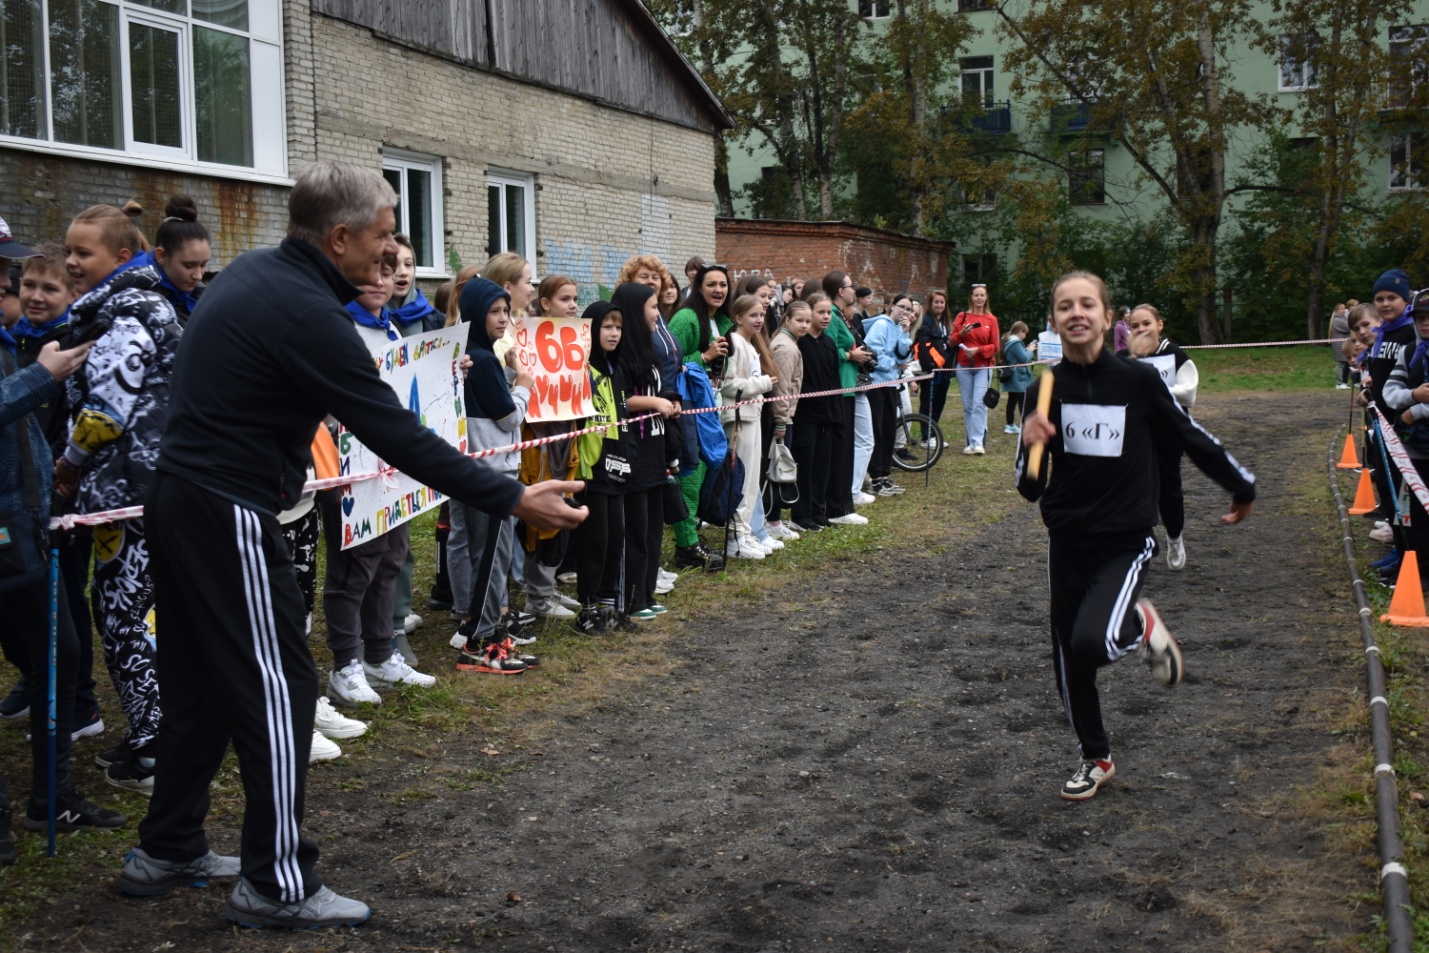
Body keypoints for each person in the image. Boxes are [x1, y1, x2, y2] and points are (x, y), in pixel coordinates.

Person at [122, 162, 584, 927]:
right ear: (338, 237)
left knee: (200, 682)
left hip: (187, 499)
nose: (394, 246)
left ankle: (167, 845)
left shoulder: (260, 276)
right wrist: (507, 492)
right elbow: (391, 427)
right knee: (280, 686)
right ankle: (276, 881)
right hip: (222, 506)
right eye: (384, 231)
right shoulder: (304, 310)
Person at [1016, 271, 1255, 802]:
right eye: (1064, 307)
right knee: (1069, 659)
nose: (1076, 314)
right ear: (1055, 320)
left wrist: (1240, 484)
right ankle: (1095, 757)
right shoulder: (1045, 387)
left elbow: (1190, 436)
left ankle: (1140, 621)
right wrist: (1032, 445)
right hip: (1067, 541)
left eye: (1087, 305)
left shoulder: (1139, 381)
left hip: (1125, 538)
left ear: (1107, 317)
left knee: (1092, 640)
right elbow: (1030, 488)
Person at [0, 225, 122, 858]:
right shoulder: (28, 357)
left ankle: (54, 797)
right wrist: (40, 378)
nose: (11, 288)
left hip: (22, 530)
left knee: (61, 655)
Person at [56, 201, 182, 797]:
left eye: (84, 252)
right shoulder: (143, 307)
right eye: (69, 251)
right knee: (147, 613)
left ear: (122, 258)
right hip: (151, 488)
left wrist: (68, 465)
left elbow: (105, 412)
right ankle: (158, 730)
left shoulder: (124, 317)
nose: (72, 262)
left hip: (129, 493)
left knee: (125, 616)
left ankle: (154, 745)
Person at [322, 256, 437, 701]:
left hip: (390, 468)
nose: (381, 281)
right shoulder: (338, 328)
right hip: (350, 468)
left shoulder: (390, 328)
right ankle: (345, 664)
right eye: (370, 272)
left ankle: (379, 652)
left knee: (391, 557)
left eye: (388, 274)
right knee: (355, 567)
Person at [451, 278, 537, 672]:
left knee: (485, 553)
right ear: (475, 314)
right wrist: (522, 385)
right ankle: (481, 641)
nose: (504, 318)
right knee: (492, 557)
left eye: (506, 310)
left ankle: (486, 628)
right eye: (495, 311)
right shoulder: (481, 361)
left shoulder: (476, 358)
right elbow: (508, 419)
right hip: (491, 473)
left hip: (477, 472)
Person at [610, 282, 679, 618]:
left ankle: (647, 594)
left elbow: (658, 387)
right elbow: (620, 400)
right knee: (635, 529)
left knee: (654, 527)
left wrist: (669, 399)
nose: (657, 313)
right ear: (636, 311)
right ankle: (632, 598)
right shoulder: (620, 352)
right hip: (633, 448)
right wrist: (654, 401)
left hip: (656, 446)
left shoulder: (648, 347)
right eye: (652, 307)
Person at [1123, 304, 1200, 571]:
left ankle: (1175, 537)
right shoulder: (1125, 357)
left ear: (1160, 325)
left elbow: (1189, 393)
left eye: (1146, 323)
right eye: (1135, 325)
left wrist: (1154, 389)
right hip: (1135, 434)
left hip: (1168, 432)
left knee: (1168, 489)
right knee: (1135, 489)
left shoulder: (1175, 354)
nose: (1141, 329)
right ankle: (1139, 543)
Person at [667, 263, 733, 570]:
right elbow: (669, 359)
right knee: (690, 475)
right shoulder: (686, 317)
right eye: (711, 285)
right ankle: (686, 546)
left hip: (708, 407)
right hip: (686, 408)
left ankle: (691, 535)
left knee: (705, 468)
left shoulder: (719, 320)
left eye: (723, 284)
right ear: (698, 288)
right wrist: (703, 357)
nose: (718, 290)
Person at [573, 301, 631, 632]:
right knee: (596, 539)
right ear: (591, 330)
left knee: (615, 537)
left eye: (618, 327)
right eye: (607, 326)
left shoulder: (615, 369)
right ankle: (589, 607)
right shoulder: (583, 371)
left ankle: (609, 605)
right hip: (590, 468)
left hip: (617, 464)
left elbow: (620, 415)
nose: (614, 333)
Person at [721, 294, 777, 560]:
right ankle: (735, 537)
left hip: (752, 416)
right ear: (738, 317)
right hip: (738, 420)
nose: (758, 320)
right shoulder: (734, 342)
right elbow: (729, 384)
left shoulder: (750, 344)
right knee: (741, 478)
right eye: (752, 315)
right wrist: (763, 385)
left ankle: (745, 532)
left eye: (761, 315)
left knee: (753, 478)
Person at [1381, 291, 1429, 588]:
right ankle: (1419, 570)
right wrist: (1412, 396)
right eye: (1421, 319)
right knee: (1414, 514)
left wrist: (1419, 409)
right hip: (1414, 451)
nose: (1425, 325)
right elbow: (1389, 393)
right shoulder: (1410, 351)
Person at [789, 293, 843, 534]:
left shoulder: (829, 343)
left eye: (829, 312)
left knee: (823, 463)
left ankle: (817, 510)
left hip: (827, 415)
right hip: (806, 415)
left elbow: (834, 379)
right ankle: (801, 514)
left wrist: (835, 412)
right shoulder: (801, 343)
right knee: (806, 463)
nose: (825, 317)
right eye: (821, 312)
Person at [821, 270, 872, 523]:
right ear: (841, 291)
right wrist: (851, 356)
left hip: (848, 388)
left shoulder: (839, 315)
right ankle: (838, 509)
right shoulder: (830, 315)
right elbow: (827, 350)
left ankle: (843, 505)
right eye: (852, 286)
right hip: (839, 389)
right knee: (840, 450)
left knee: (846, 448)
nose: (855, 290)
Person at [862, 293, 913, 497]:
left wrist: (905, 333)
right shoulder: (881, 325)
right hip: (876, 384)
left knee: (889, 429)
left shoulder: (898, 328)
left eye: (909, 309)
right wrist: (894, 364)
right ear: (891, 306)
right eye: (901, 306)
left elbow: (904, 355)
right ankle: (875, 478)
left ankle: (884, 474)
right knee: (878, 431)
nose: (905, 312)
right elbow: (873, 353)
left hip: (892, 383)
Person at [133, 196, 210, 326]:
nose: (198, 276)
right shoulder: (137, 304)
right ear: (161, 256)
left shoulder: (201, 296)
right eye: (189, 265)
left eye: (203, 265)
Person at [766, 300, 808, 540]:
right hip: (781, 419)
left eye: (806, 321)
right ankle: (772, 520)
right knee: (777, 469)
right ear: (787, 320)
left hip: (785, 416)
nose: (804, 325)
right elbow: (781, 388)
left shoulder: (790, 343)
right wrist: (782, 420)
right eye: (799, 320)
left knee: (779, 468)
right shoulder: (786, 347)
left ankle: (773, 519)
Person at [951, 283, 1000, 454]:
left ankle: (977, 442)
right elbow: (952, 341)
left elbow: (996, 346)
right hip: (963, 366)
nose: (979, 298)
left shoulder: (991, 319)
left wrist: (979, 350)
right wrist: (962, 334)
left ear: (986, 298)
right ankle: (971, 441)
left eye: (982, 295)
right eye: (976, 295)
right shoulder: (962, 316)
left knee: (979, 403)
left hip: (983, 366)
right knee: (967, 405)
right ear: (971, 297)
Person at [915, 290, 954, 445]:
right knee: (927, 402)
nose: (939, 305)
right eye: (936, 302)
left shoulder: (946, 323)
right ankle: (925, 436)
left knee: (939, 401)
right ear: (930, 304)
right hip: (931, 369)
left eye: (942, 302)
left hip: (945, 370)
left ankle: (933, 433)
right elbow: (923, 345)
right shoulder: (926, 322)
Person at [1001, 321, 1035, 434]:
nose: (1025, 336)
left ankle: (1010, 425)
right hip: (1018, 378)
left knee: (1012, 401)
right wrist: (1030, 350)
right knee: (1022, 401)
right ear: (1021, 331)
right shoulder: (1016, 343)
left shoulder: (1009, 341)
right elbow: (1024, 359)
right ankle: (1026, 426)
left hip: (1013, 376)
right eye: (1025, 333)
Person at [1330, 302, 1352, 389]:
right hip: (1339, 345)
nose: (1344, 311)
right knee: (1340, 364)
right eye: (1342, 309)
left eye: (1344, 309)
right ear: (1337, 310)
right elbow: (1348, 328)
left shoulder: (1343, 318)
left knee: (1346, 364)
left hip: (1344, 344)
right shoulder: (1337, 320)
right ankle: (1339, 383)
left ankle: (1344, 382)